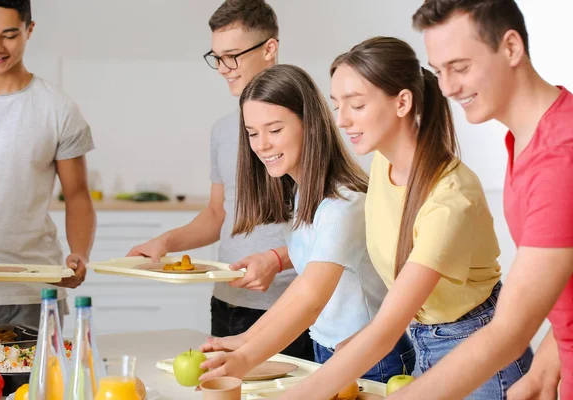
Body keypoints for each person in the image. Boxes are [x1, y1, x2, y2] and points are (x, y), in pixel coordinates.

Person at [278, 36, 533, 400]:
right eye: (337, 105)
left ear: (402, 102)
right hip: (426, 342)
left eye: (357, 104)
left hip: (482, 358)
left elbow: (387, 327)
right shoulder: (384, 163)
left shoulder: (449, 199)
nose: (342, 120)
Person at [377, 1, 573, 399]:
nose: (447, 87)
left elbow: (508, 333)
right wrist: (546, 367)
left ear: (512, 48)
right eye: (438, 71)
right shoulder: (529, 138)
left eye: (460, 67)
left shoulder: (560, 158)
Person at [197, 64, 415, 383]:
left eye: (274, 130)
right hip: (329, 351)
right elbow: (303, 284)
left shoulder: (344, 204)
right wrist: (247, 339)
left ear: (308, 125)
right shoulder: (303, 195)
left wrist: (247, 357)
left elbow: (311, 298)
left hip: (373, 360)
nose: (261, 145)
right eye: (252, 133)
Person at [127, 0, 313, 360]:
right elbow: (218, 215)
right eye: (217, 57)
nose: (223, 68)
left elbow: (331, 233)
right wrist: (166, 241)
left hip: (286, 306)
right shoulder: (224, 130)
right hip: (226, 300)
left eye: (232, 56)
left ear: (270, 49)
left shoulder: (301, 124)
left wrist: (276, 259)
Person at [0, 0, 96, 327]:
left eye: (9, 35)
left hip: (35, 292)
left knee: (37, 381)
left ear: (29, 30)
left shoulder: (58, 109)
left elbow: (78, 195)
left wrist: (79, 253)